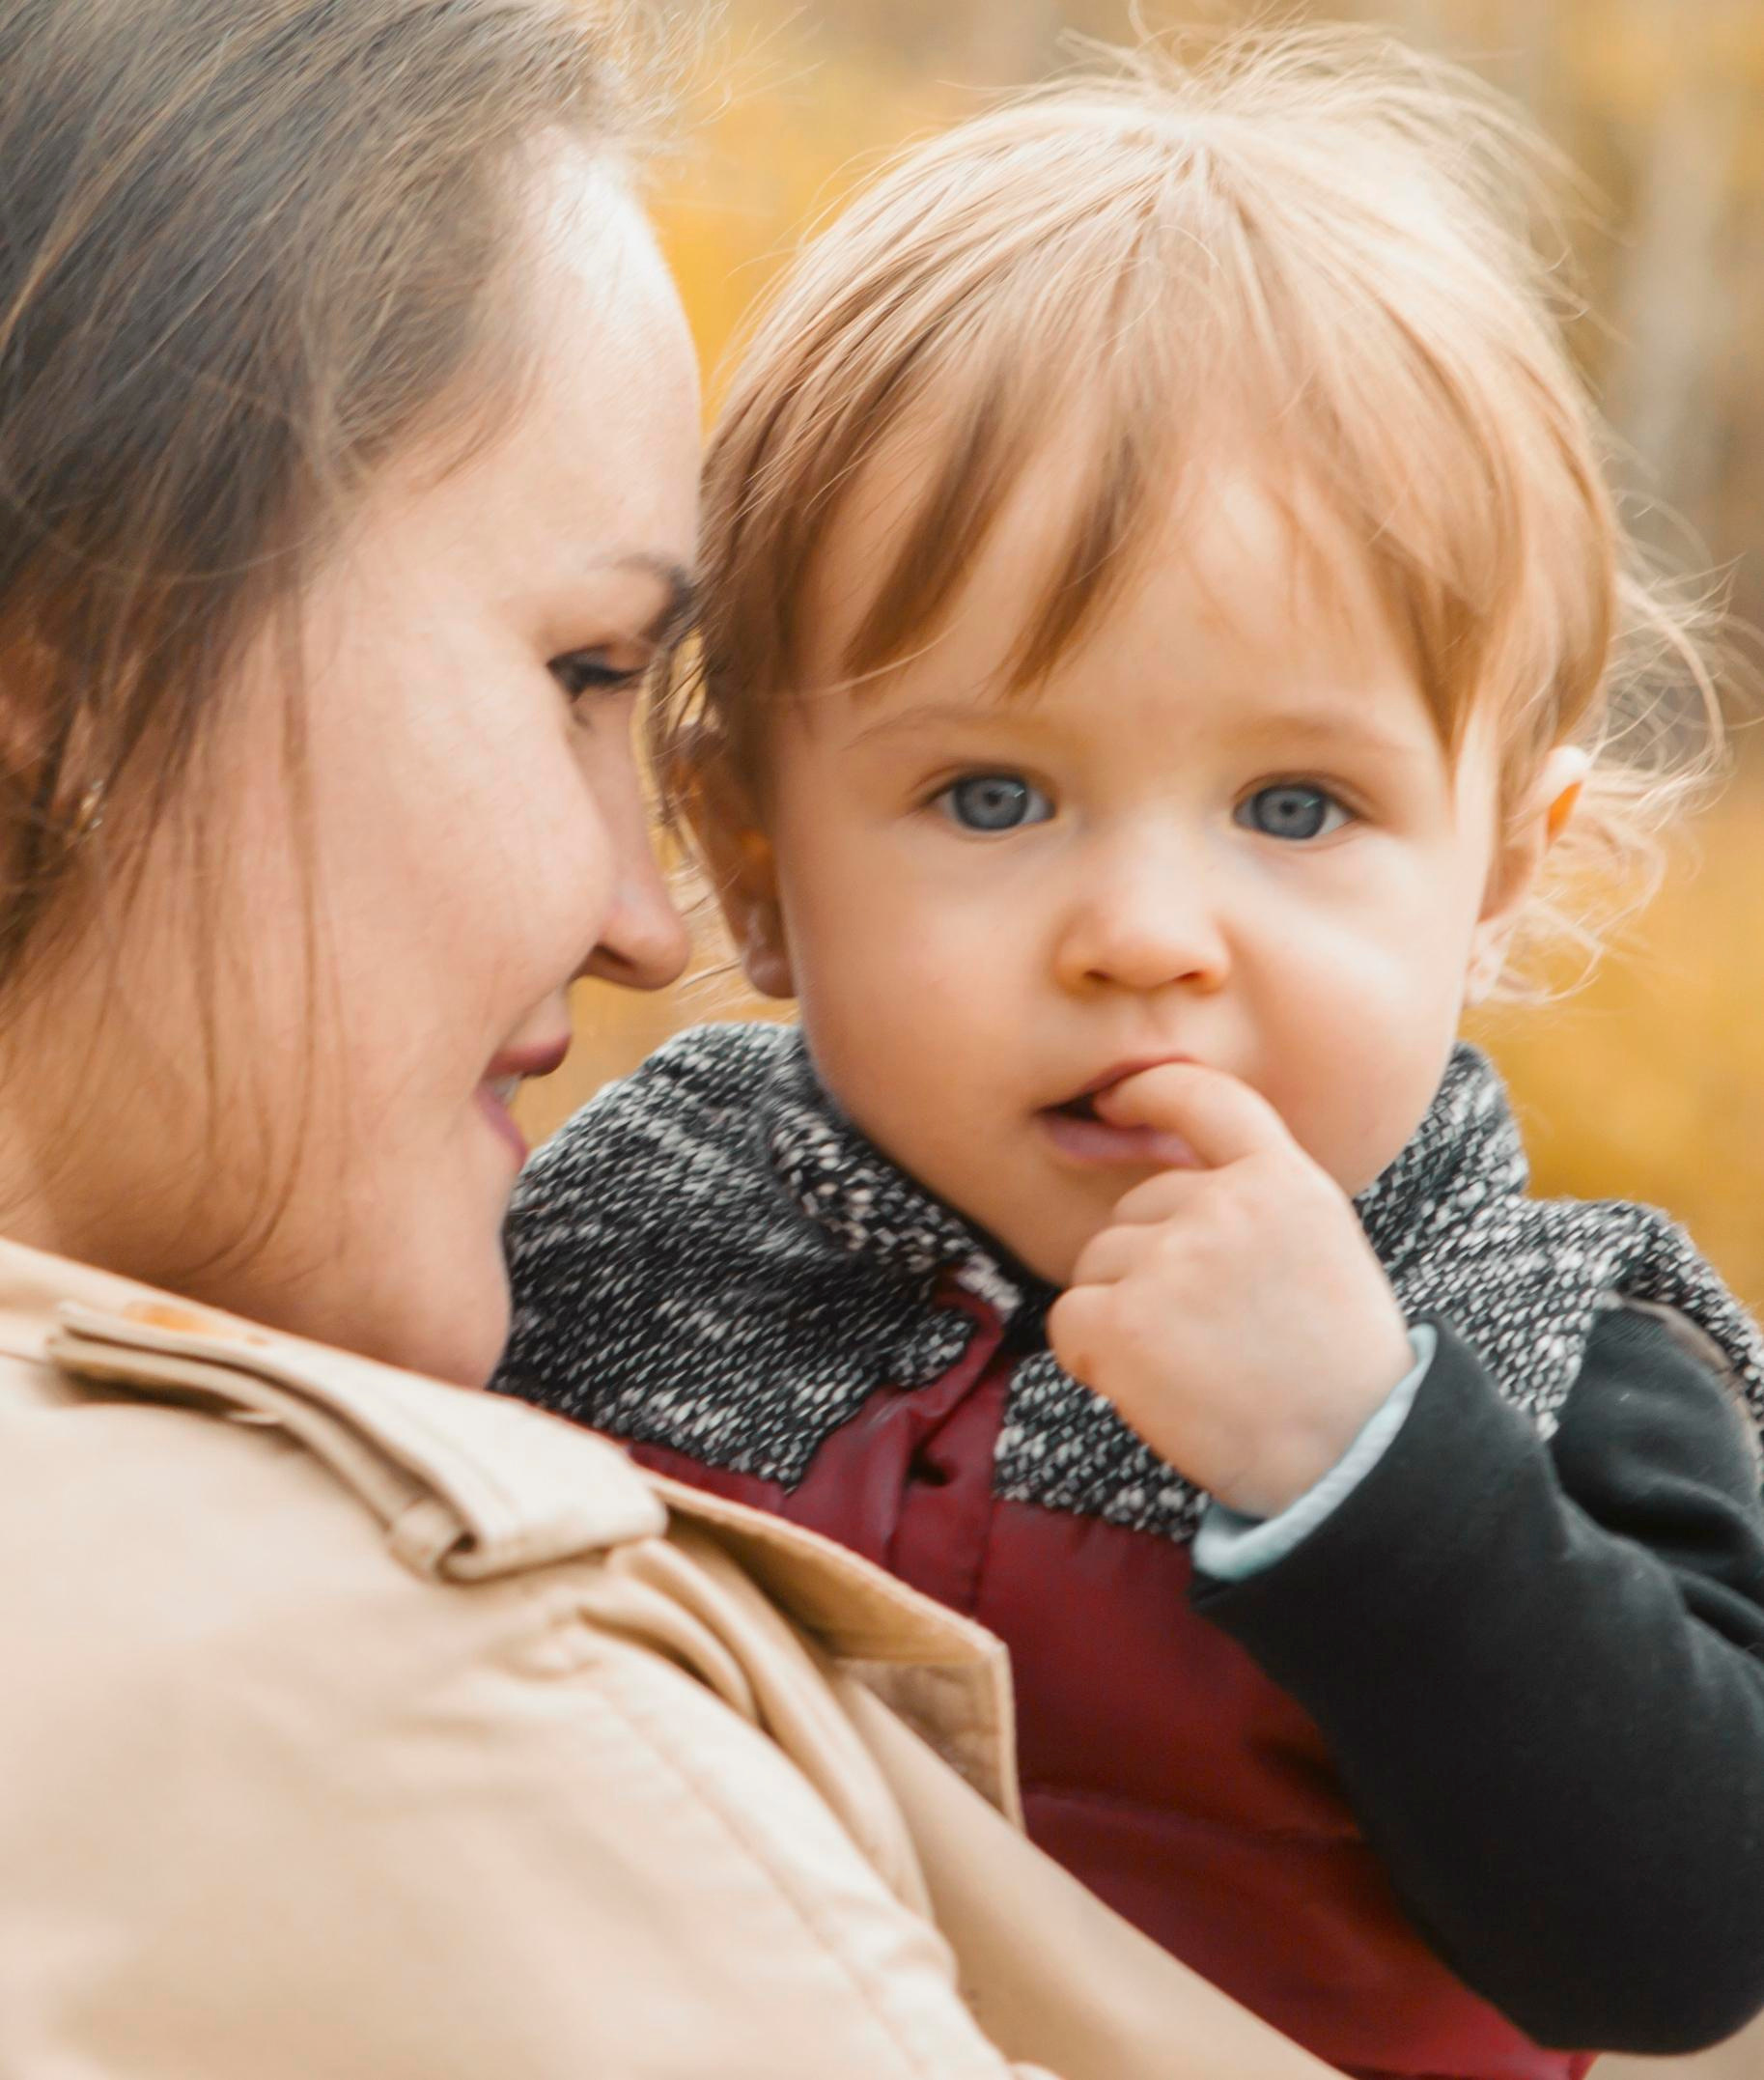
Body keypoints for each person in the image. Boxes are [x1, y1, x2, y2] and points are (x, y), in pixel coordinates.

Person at [0, 5, 1342, 2075]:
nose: (655, 920)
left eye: (1291, 806)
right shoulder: (448, 1707)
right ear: (66, 680)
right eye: (582, 667)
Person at [498, 29, 1764, 2080]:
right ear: (749, 853)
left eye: (1291, 808)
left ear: (1494, 877)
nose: (1145, 940)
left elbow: (1676, 1941)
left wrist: (1356, 1457)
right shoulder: (611, 1244)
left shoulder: (1537, 1351)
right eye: (991, 798)